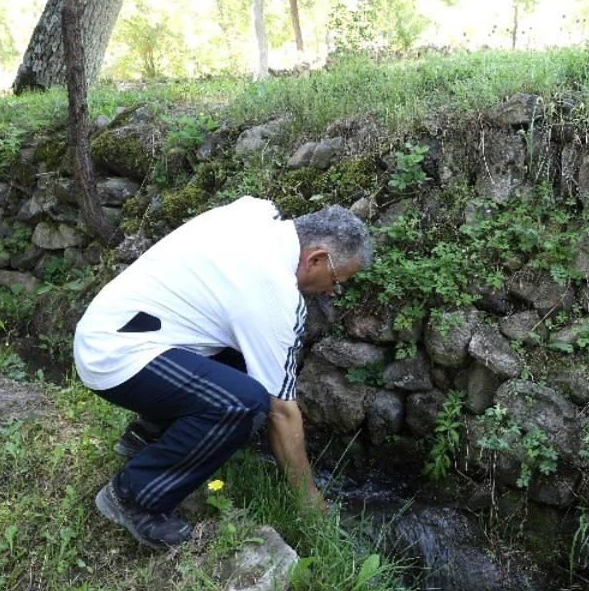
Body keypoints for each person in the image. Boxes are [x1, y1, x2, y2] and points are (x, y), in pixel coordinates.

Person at [73, 197, 371, 549]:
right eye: (337, 280)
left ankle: (149, 434)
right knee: (243, 404)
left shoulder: (256, 213)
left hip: (116, 324)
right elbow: (281, 410)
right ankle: (135, 495)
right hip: (114, 356)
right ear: (316, 259)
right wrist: (309, 500)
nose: (333, 292)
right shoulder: (274, 293)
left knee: (246, 359)